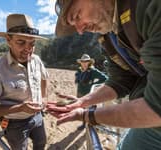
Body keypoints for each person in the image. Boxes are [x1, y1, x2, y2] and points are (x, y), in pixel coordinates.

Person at [47, 0, 161, 150]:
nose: (80, 30)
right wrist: (82, 102)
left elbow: (156, 107)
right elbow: (120, 80)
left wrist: (88, 115)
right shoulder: (108, 37)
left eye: (77, 16)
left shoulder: (148, 6)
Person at [0, 14, 48, 150]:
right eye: (21, 42)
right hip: (14, 123)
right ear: (8, 40)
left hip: (38, 117)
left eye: (32, 43)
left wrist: (44, 97)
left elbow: (44, 77)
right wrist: (20, 108)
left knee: (41, 143)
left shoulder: (36, 60)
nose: (28, 49)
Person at [75, 54, 107, 130]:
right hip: (80, 93)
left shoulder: (93, 71)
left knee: (89, 110)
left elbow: (104, 78)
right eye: (83, 61)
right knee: (82, 108)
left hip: (88, 94)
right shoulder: (79, 70)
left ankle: (91, 125)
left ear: (89, 62)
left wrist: (94, 84)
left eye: (86, 61)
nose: (84, 63)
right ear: (81, 62)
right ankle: (83, 124)